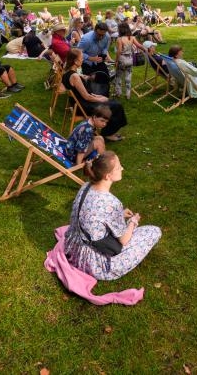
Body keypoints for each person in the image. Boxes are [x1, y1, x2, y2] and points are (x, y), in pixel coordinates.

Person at [63, 151, 161, 281]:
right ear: (107, 176)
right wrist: (133, 221)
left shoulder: (86, 186)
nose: (122, 168)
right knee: (154, 231)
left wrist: (118, 214)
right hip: (94, 263)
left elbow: (95, 214)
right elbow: (124, 240)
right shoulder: (112, 203)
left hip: (73, 249)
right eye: (118, 167)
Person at [62, 48, 127, 141]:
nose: (82, 60)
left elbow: (85, 93)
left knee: (112, 103)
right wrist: (101, 99)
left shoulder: (67, 73)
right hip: (83, 106)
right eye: (81, 58)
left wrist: (98, 96)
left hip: (80, 103)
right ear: (75, 61)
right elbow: (86, 96)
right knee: (116, 106)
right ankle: (108, 134)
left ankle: (108, 131)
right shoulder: (74, 76)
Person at [113, 22, 148, 99]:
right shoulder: (132, 37)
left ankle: (118, 93)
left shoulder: (119, 39)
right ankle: (128, 94)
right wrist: (146, 50)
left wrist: (116, 61)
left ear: (120, 30)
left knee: (118, 76)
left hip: (122, 59)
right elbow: (139, 45)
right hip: (130, 59)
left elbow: (119, 51)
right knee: (128, 77)